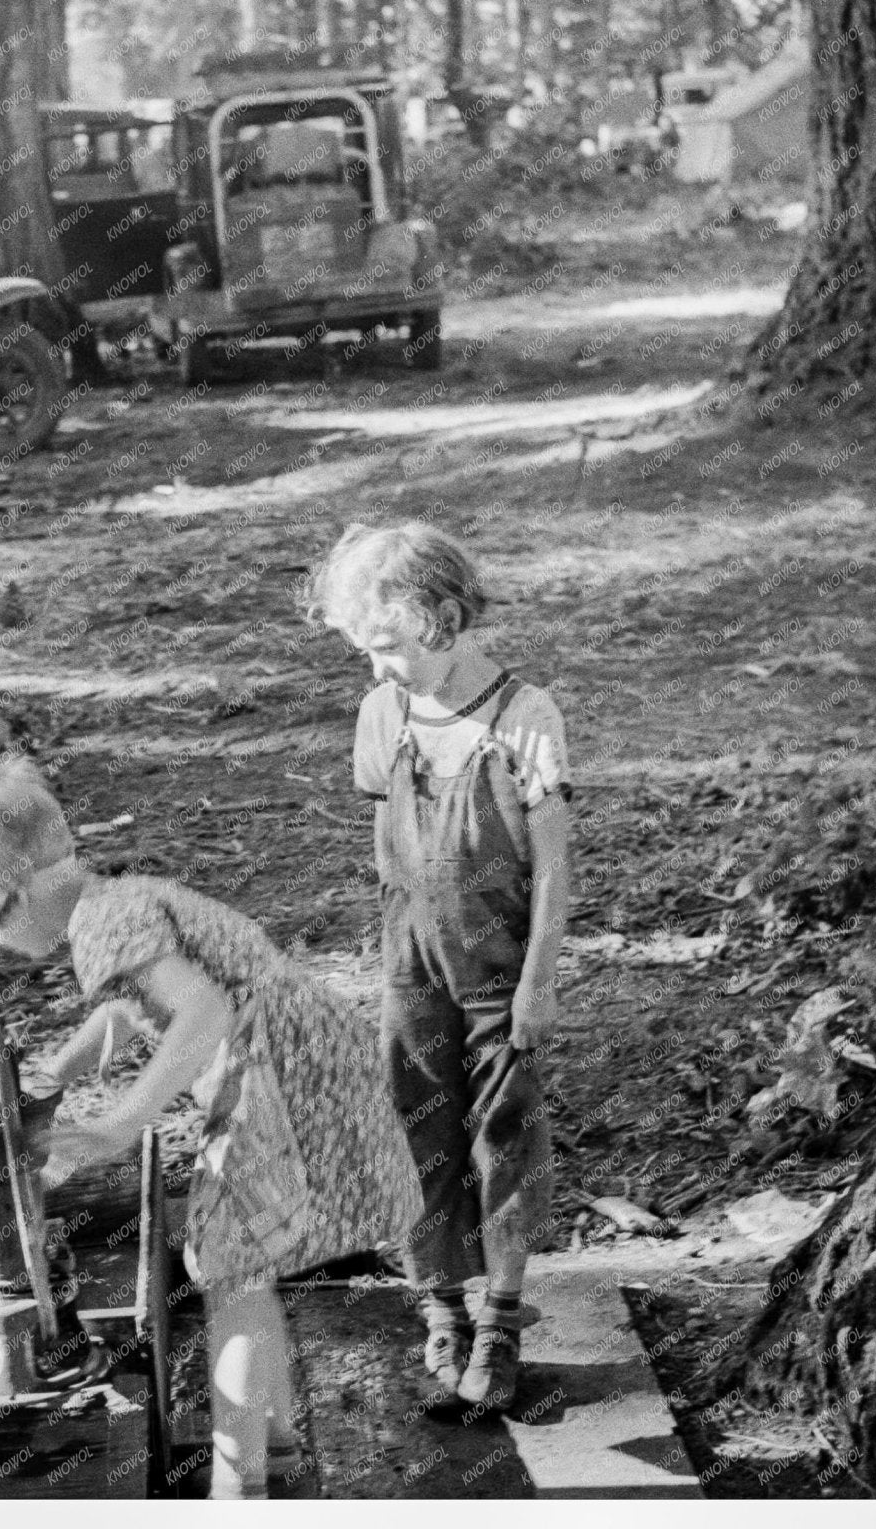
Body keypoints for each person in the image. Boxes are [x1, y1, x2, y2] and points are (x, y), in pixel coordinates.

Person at [0, 755, 422, 1500]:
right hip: (313, 1056)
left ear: (22, 886)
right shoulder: (117, 899)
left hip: (279, 1073)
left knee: (230, 1271)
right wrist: (56, 1074)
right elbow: (130, 1011)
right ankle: (277, 1442)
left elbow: (203, 1012)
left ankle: (239, 1485)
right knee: (249, 1267)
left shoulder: (99, 921)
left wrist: (122, 1126)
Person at [306, 521, 571, 1415]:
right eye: (364, 652)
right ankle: (441, 1309)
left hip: (499, 976)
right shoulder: (383, 715)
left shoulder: (525, 718)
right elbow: (395, 844)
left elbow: (556, 868)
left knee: (504, 1144)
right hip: (412, 972)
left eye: (387, 648)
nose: (376, 669)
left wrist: (538, 980)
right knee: (416, 1135)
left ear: (446, 619)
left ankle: (499, 1321)